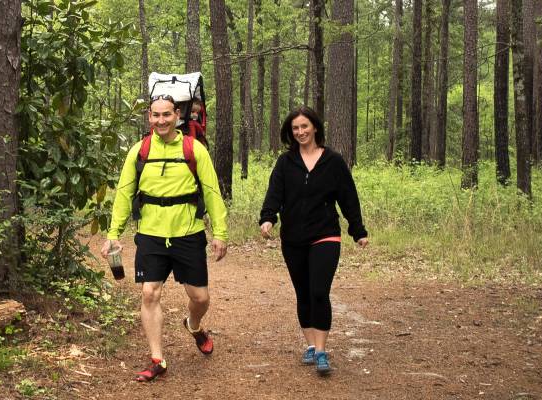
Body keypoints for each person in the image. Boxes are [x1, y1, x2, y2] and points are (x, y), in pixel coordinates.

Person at [101, 94, 229, 382]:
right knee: (149, 293)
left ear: (177, 115)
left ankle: (194, 326)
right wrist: (113, 234)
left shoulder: (194, 149)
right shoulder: (140, 151)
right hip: (150, 234)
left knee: (200, 297)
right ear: (149, 117)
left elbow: (211, 192)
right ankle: (157, 358)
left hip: (188, 233)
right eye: (156, 115)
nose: (161, 121)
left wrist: (219, 232)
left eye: (167, 115)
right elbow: (124, 193)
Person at [258, 106, 369, 376]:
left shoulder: (333, 161)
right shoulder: (286, 162)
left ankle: (321, 351)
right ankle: (309, 345)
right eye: (295, 128)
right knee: (303, 293)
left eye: (304, 127)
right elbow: (275, 193)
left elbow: (348, 197)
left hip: (325, 234)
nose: (300, 132)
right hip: (293, 237)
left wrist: (358, 230)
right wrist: (268, 218)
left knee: (319, 291)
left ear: (315, 127)